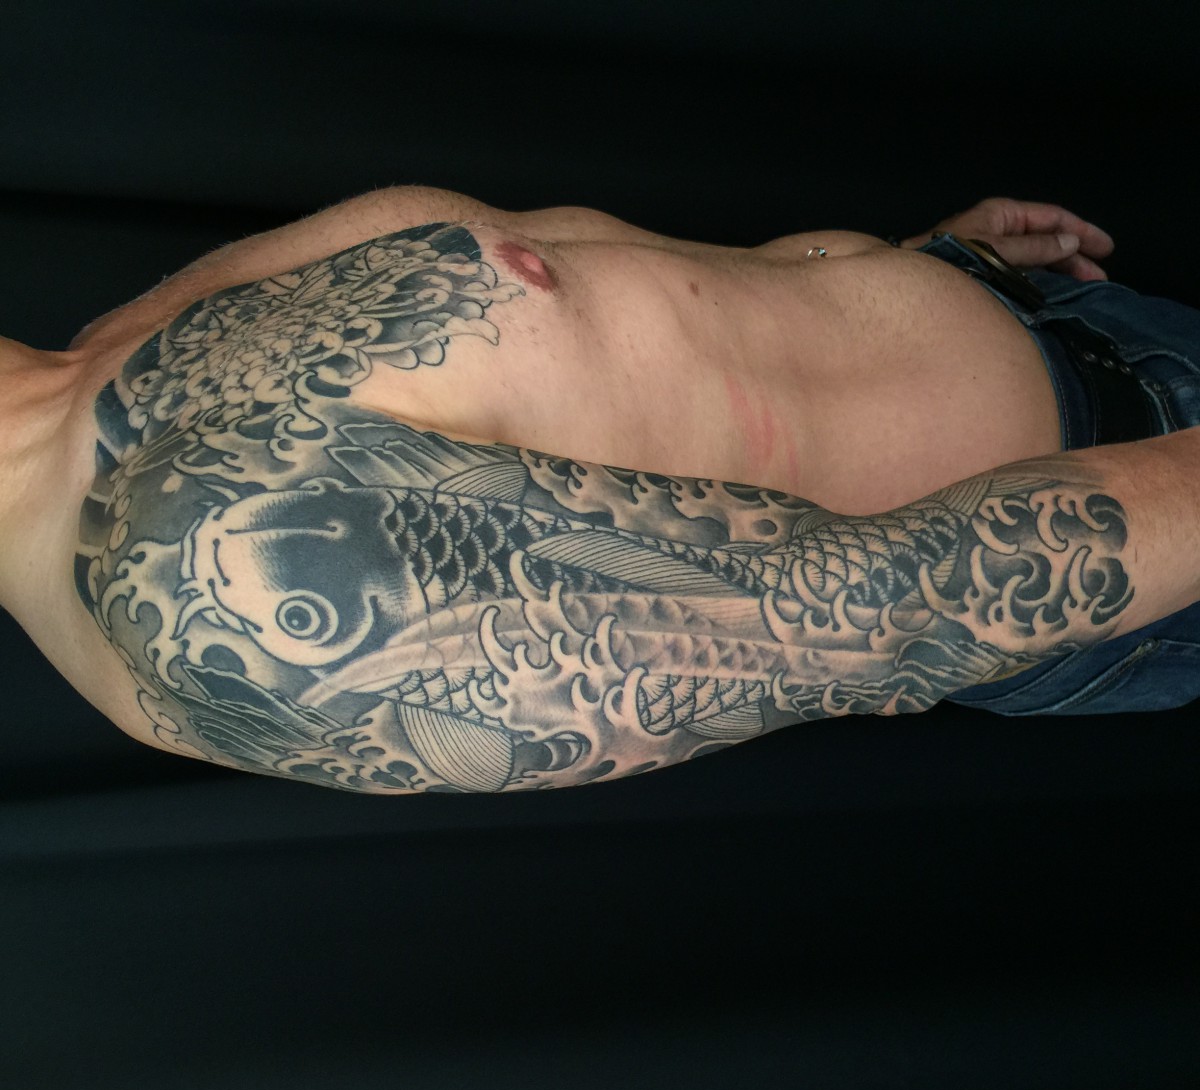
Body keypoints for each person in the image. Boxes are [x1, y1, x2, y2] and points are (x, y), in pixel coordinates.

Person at [2, 187, 1199, 793]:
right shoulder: (192, 605)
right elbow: (897, 615)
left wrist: (906, 270)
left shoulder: (99, 358)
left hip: (1064, 323)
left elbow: (599, 313)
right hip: (1143, 503)